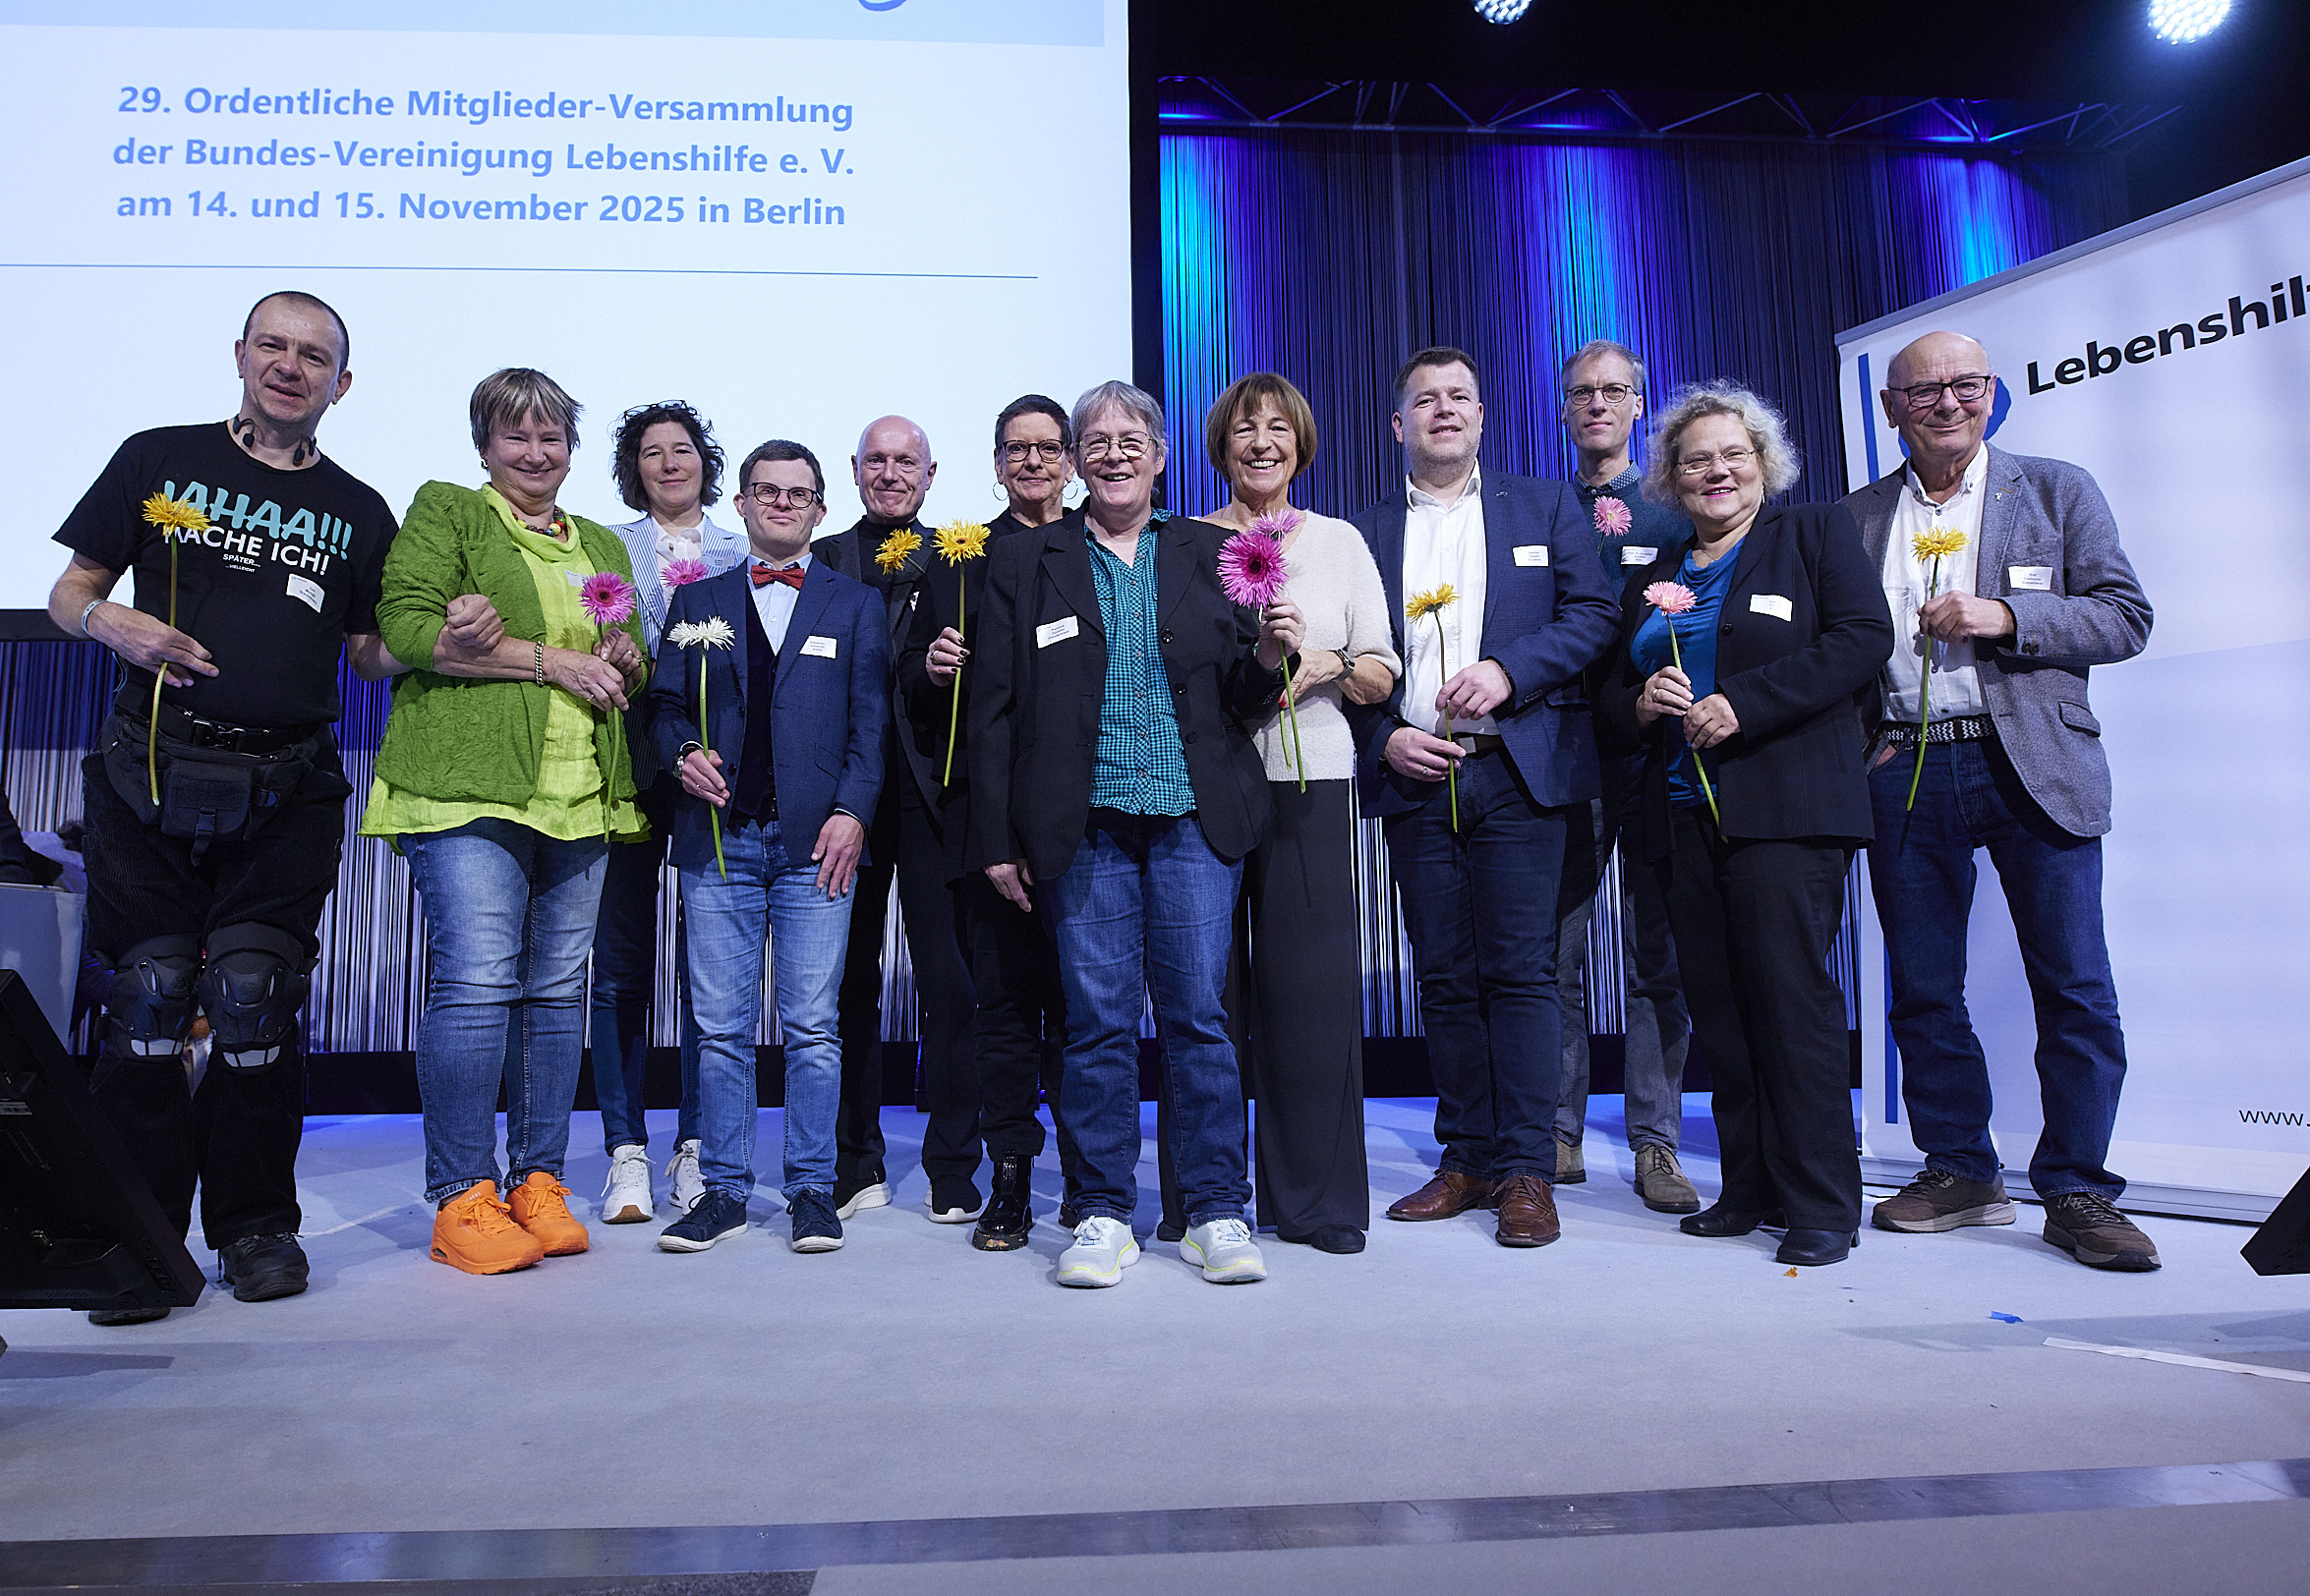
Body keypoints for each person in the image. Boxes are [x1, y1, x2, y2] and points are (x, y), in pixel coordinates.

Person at [45, 290, 400, 1321]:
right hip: (146, 773)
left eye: (314, 356)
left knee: (254, 1000)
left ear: (342, 383)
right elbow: (71, 590)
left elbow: (369, 652)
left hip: (288, 786)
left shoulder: (359, 509)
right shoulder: (157, 459)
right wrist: (112, 624)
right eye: (273, 347)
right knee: (148, 1002)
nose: (291, 367)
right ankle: (141, 1238)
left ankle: (256, 1228)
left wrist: (445, 637)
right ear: (241, 354)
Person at [966, 380, 1301, 1287]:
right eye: (1096, 441)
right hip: (1082, 827)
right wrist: (996, 837)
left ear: (1158, 456)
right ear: (1076, 461)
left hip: (1194, 817)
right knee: (1097, 1024)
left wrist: (1272, 656)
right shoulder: (1027, 559)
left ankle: (1215, 1210)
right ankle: (1103, 1212)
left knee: (1199, 1022)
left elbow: (1243, 702)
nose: (1113, 454)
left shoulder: (1212, 550)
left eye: (1131, 439)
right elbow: (992, 711)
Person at [1847, 331, 2159, 1272]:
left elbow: (2125, 617)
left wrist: (2009, 616)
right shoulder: (1856, 517)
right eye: (1924, 390)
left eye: (1966, 384)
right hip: (1904, 764)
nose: (1948, 402)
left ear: (1992, 392)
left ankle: (2077, 1189)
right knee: (1923, 989)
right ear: (1891, 408)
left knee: (2074, 986)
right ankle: (1960, 1171)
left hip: (2033, 764)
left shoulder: (2057, 491)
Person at [362, 368, 650, 1276]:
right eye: (515, 436)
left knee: (558, 992)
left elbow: (627, 664)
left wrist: (623, 656)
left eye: (550, 437)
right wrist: (543, 660)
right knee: (479, 983)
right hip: (466, 786)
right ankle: (462, 1196)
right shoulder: (449, 511)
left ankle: (537, 1182)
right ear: (484, 445)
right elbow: (404, 630)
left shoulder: (600, 539)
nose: (535, 452)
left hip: (580, 788)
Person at [1605, 380, 1894, 1269]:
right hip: (1680, 816)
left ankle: (1821, 1202)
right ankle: (1750, 1188)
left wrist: (1744, 702)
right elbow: (1612, 694)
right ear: (1671, 478)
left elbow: (1861, 640)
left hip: (1786, 812)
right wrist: (1641, 703)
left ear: (1764, 462)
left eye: (1733, 454)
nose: (1717, 471)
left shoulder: (1813, 535)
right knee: (1721, 1010)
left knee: (1789, 1002)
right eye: (1697, 461)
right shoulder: (1657, 575)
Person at [1346, 347, 1619, 1250]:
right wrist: (1385, 735)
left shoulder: (1544, 505)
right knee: (1445, 976)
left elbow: (1594, 616)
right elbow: (1346, 659)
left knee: (1521, 972)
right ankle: (1465, 1159)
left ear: (1482, 414)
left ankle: (1527, 1169)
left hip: (1519, 771)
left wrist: (1509, 670)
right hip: (1418, 775)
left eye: (1459, 395)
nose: (1444, 409)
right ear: (1399, 424)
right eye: (1425, 399)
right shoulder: (1363, 531)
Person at [646, 439, 888, 1255]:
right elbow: (662, 707)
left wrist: (853, 812)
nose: (783, 504)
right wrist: (682, 752)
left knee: (814, 1027)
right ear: (742, 504)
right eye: (767, 491)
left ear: (820, 509)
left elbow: (871, 725)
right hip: (719, 841)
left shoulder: (855, 604)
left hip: (818, 844)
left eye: (798, 493)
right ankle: (721, 1191)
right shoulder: (697, 601)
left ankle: (812, 1191)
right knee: (719, 1028)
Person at [1203, 372, 1400, 1255]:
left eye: (1278, 429)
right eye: (1245, 429)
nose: (1261, 443)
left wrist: (1328, 665)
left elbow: (1381, 669)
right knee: (1207, 998)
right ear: (1221, 445)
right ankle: (1205, 1196)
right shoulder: (1184, 542)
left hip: (1312, 777)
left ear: (1301, 444)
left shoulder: (1339, 541)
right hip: (1207, 784)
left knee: (1311, 996)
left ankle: (1316, 1201)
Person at [898, 394, 1077, 1252]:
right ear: (996, 462)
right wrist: (933, 668)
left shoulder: (1103, 545)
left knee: (1084, 1011)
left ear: (1071, 459)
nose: (1033, 461)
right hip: (988, 816)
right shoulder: (956, 557)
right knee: (1003, 1009)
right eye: (1016, 448)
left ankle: (1090, 1176)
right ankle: (1010, 1173)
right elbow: (909, 681)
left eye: (1048, 447)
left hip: (1087, 815)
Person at [812, 416, 979, 1224]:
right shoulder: (822, 559)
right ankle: (856, 1161)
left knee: (951, 982)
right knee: (847, 984)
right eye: (875, 460)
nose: (890, 473)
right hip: (846, 798)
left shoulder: (964, 556)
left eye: (905, 461)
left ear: (931, 474)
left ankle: (953, 1163)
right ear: (853, 471)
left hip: (935, 795)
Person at [1551, 340, 1700, 1213]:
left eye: (1614, 391)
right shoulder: (1540, 509)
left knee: (1657, 957)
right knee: (1555, 953)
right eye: (1582, 393)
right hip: (1567, 752)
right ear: (1564, 409)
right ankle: (1557, 1131)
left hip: (1658, 753)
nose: (1598, 404)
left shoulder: (1678, 510)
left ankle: (1655, 1142)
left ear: (1639, 405)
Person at [594, 401, 746, 1224]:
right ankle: (625, 1150)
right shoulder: (603, 547)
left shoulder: (742, 549)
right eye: (650, 453)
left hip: (708, 775)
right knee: (620, 965)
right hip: (625, 767)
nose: (668, 463)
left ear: (705, 462)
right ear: (634, 469)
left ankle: (695, 1145)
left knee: (706, 971)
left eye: (681, 449)